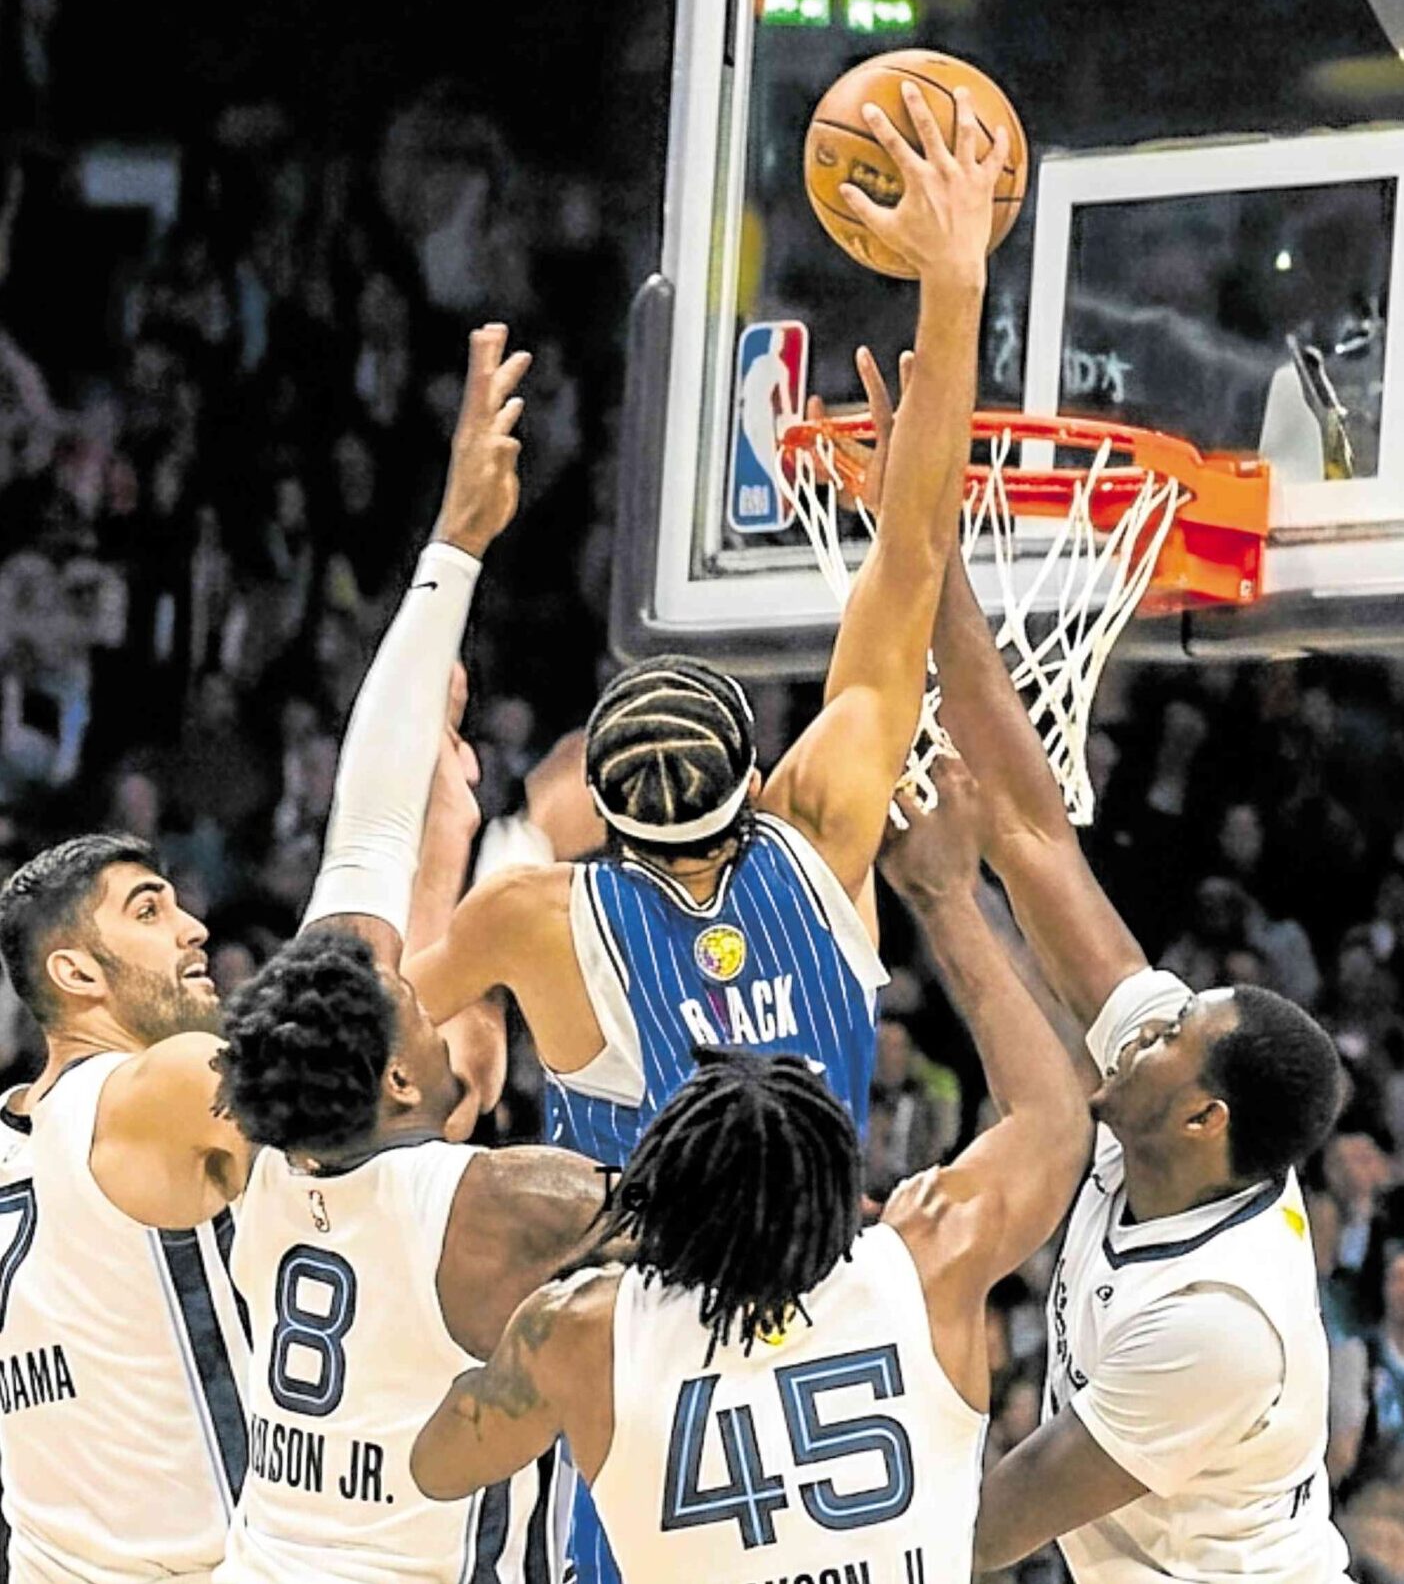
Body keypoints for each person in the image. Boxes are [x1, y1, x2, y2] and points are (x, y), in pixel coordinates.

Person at [407, 84, 1009, 1584]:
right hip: (835, 1327)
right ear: (763, 769)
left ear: (588, 808)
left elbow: (390, 1006)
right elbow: (914, 554)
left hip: (638, 1369)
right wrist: (953, 289)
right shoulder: (825, 828)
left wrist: (456, 877)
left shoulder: (544, 914)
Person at [0, 322, 528, 1584]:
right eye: (143, 912)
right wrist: (451, 552)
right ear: (71, 977)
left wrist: (446, 867)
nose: (191, 928)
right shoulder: (143, 1097)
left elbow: (415, 1067)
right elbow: (354, 899)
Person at [848, 352, 1352, 1579]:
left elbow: (980, 1532)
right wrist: (927, 546)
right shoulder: (1172, 1114)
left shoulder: (1222, 1321)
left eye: (1176, 1032)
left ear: (1202, 1111)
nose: (1149, 1020)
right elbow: (1027, 829)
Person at [408, 754, 1092, 1584]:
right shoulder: (927, 1266)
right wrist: (945, 898)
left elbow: (436, 1466)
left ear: (659, 1196)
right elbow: (1054, 1119)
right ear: (843, 1182)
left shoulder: (582, 1332)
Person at [208, 929, 607, 1583]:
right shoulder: (499, 1198)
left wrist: (481, 973)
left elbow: (437, 1104)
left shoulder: (269, 1166)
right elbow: (699, 1200)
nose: (437, 1021)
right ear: (396, 1076)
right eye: (424, 1015)